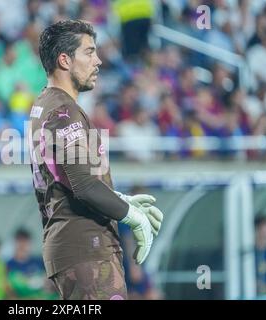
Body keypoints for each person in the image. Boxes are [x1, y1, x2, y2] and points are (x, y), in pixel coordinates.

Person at [28, 19, 164, 300]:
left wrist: (118, 199)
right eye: (89, 52)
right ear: (64, 60)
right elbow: (84, 186)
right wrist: (133, 217)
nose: (98, 60)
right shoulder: (63, 111)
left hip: (77, 248)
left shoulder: (47, 104)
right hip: (86, 250)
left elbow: (69, 179)